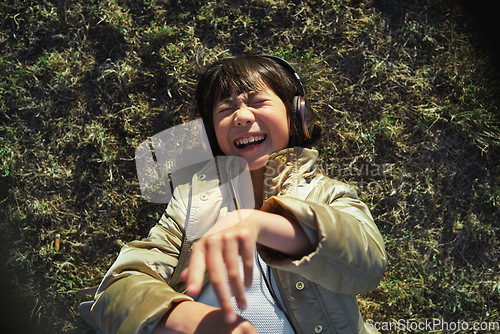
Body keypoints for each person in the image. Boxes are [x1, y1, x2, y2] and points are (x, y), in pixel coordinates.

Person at [84, 55, 387, 333]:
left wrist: (258, 224)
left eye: (258, 101)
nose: (242, 116)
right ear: (211, 133)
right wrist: (197, 324)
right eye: (225, 109)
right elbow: (115, 290)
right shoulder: (190, 203)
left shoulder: (327, 193)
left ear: (297, 114)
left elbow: (369, 265)